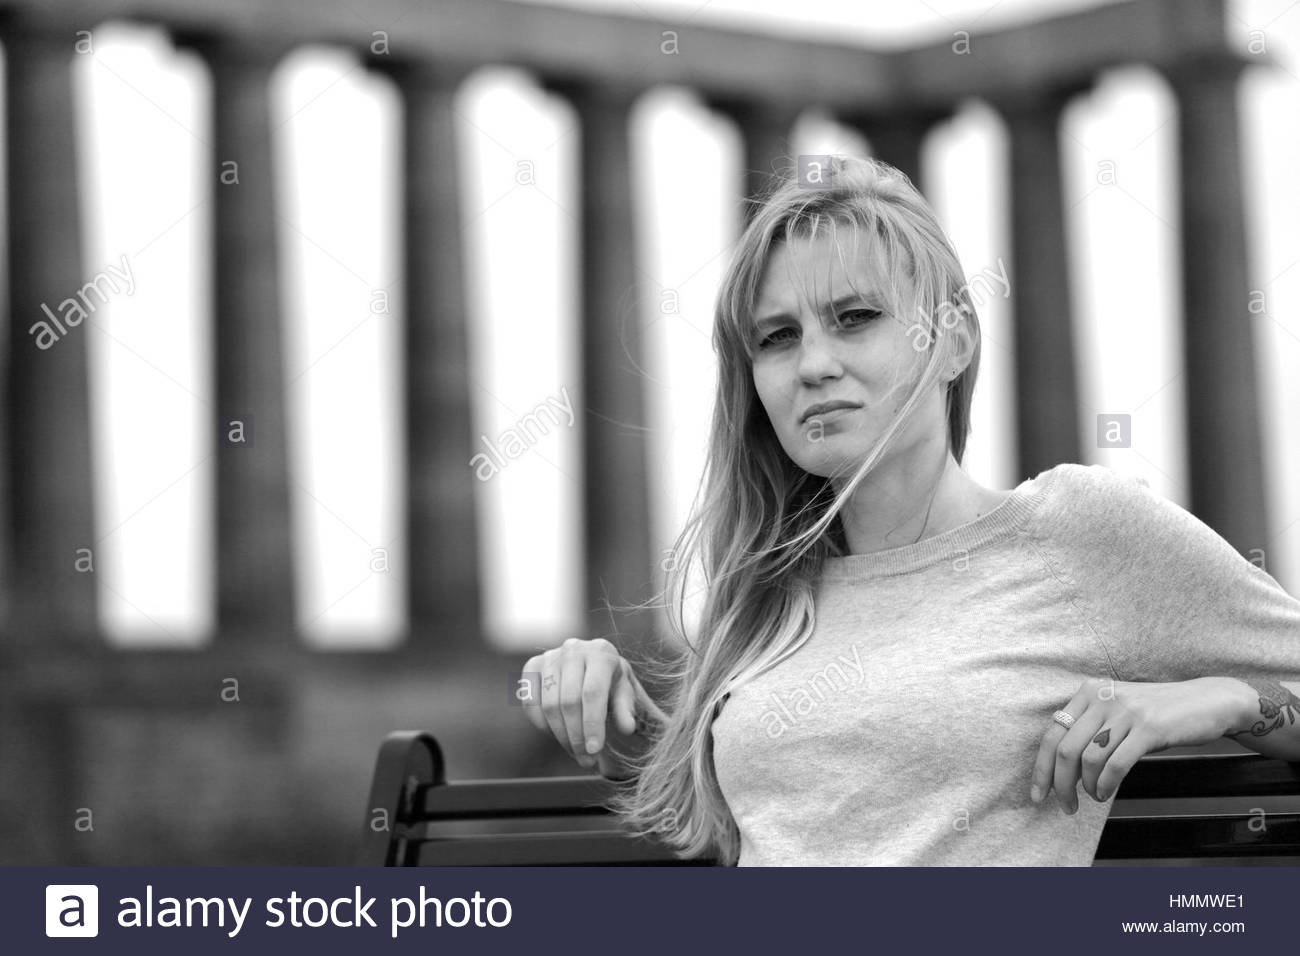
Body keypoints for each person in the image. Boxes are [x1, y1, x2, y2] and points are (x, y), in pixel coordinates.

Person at [521, 154, 1300, 866]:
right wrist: (616, 718)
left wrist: (1226, 697)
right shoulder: (767, 592)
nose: (815, 365)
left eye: (855, 318)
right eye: (778, 337)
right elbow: (763, 830)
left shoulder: (1076, 531)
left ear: (952, 340)